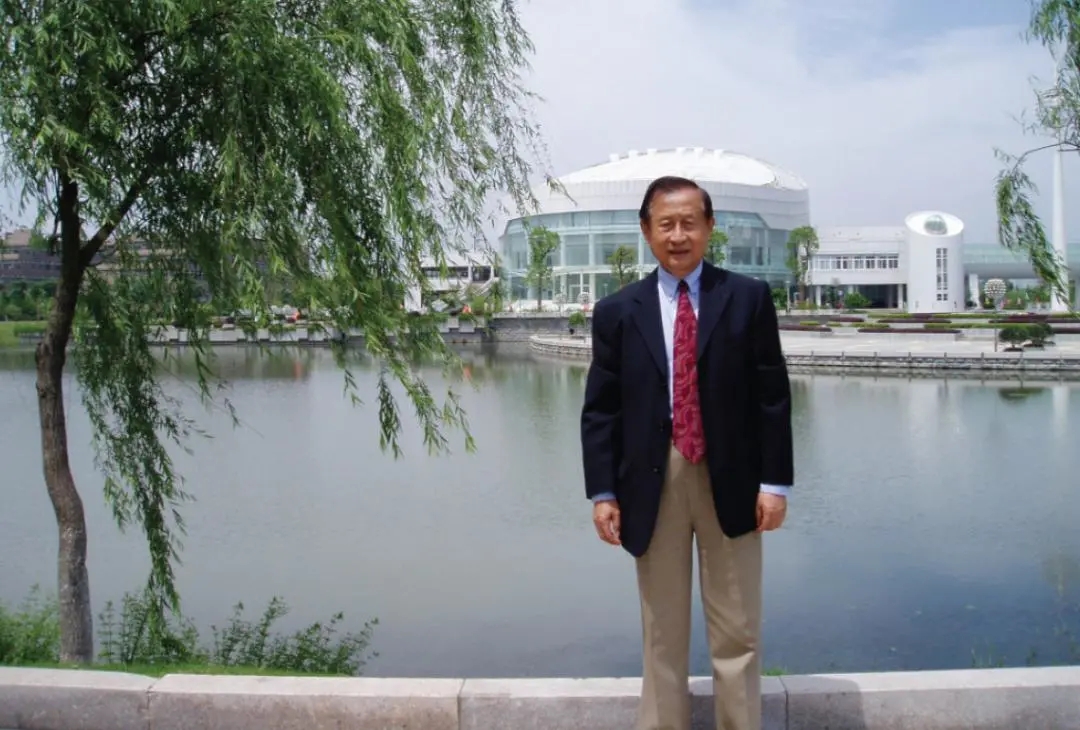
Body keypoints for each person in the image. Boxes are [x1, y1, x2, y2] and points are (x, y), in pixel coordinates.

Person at [580, 175, 794, 730]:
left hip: (733, 479)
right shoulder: (617, 311)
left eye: (690, 223)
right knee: (662, 633)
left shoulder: (746, 298)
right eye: (666, 224)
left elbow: (772, 397)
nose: (679, 236)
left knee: (738, 630)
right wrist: (603, 492)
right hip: (652, 480)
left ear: (710, 227)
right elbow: (601, 410)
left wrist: (775, 485)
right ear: (647, 230)